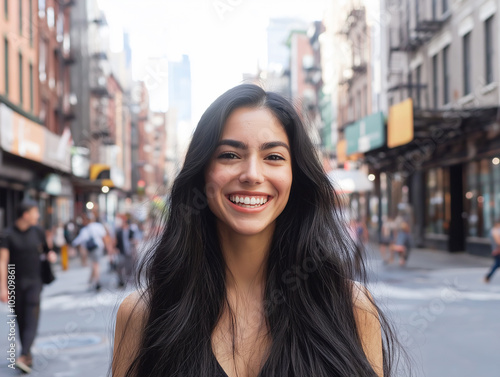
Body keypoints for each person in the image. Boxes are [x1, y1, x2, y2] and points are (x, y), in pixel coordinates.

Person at [112, 84, 407, 377]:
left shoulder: (352, 309)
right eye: (229, 155)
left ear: (295, 176)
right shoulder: (142, 315)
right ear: (202, 172)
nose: (252, 174)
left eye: (274, 157)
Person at [0, 200, 57, 373]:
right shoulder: (7, 235)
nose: (37, 216)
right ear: (25, 215)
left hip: (35, 281)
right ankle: (27, 356)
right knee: (21, 319)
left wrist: (51, 255)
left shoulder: (38, 231)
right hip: (15, 283)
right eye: (35, 212)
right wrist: (3, 287)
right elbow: (3, 262)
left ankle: (23, 354)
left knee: (32, 316)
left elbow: (47, 251)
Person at [71, 213, 108, 291]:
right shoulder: (98, 226)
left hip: (91, 249)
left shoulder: (85, 229)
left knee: (95, 264)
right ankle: (95, 281)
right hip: (98, 248)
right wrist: (107, 247)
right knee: (95, 264)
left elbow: (79, 240)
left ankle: (94, 280)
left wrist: (71, 244)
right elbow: (104, 237)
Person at [115, 213, 139, 288]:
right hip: (121, 251)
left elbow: (136, 240)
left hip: (130, 252)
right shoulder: (119, 232)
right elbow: (116, 242)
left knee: (129, 267)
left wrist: (133, 243)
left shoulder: (131, 231)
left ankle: (129, 280)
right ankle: (121, 281)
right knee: (120, 266)